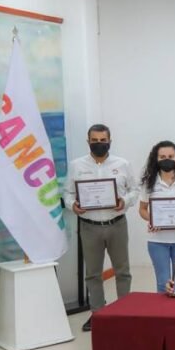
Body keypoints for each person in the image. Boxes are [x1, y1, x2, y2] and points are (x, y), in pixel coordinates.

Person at [63, 124, 138, 332]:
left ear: (109, 141)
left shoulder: (122, 164)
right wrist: (73, 205)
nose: (99, 144)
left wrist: (124, 201)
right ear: (88, 142)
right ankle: (97, 313)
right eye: (94, 141)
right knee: (93, 274)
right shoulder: (76, 165)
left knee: (122, 271)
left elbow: (134, 190)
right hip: (89, 226)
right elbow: (67, 193)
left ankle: (124, 312)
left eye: (103, 140)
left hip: (117, 224)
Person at [137, 140, 175, 294]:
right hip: (158, 241)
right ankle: (162, 310)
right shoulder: (149, 183)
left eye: (171, 156)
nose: (167, 159)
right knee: (163, 282)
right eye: (162, 157)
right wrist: (151, 219)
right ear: (156, 159)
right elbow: (142, 209)